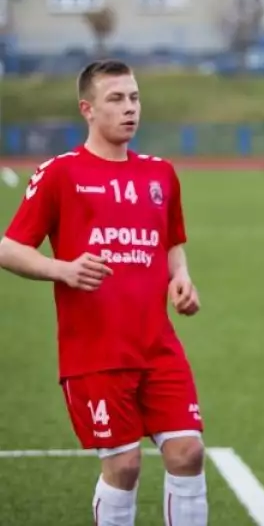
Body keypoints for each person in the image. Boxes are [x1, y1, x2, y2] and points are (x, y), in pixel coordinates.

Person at [0, 60, 207, 526]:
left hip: (158, 346)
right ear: (87, 109)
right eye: (116, 99)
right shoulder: (60, 173)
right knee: (124, 464)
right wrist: (64, 269)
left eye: (134, 98)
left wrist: (182, 278)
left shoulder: (160, 175)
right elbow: (9, 249)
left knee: (188, 453)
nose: (129, 108)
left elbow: (172, 240)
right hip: (94, 351)